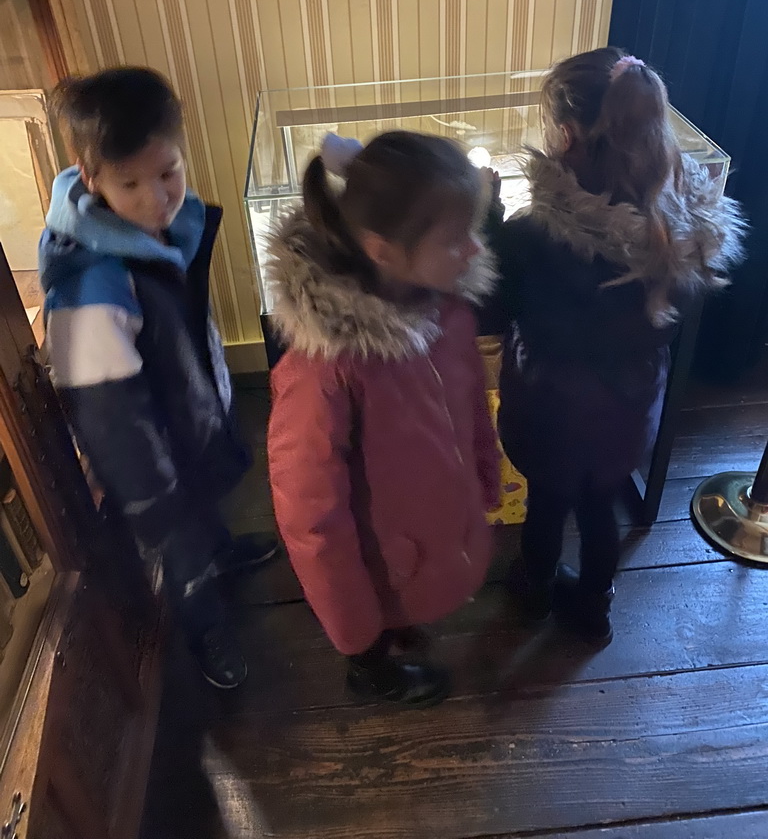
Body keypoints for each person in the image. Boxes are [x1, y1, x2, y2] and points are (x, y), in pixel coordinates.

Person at [480, 47, 747, 644]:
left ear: (568, 135)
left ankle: (532, 590)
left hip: (550, 410)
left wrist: (486, 218)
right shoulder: (675, 225)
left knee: (548, 503)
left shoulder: (538, 236)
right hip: (627, 412)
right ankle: (594, 608)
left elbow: (493, 305)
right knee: (600, 505)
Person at [39, 67, 278, 689]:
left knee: (207, 508)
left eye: (168, 172)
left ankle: (220, 551)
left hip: (186, 411)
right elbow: (106, 407)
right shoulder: (91, 281)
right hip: (149, 455)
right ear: (91, 180)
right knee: (180, 549)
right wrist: (150, 491)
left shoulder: (163, 230)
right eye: (130, 183)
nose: (156, 198)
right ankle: (203, 627)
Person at [266, 130, 500, 708]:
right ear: (383, 250)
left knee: (401, 609)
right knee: (370, 635)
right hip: (378, 564)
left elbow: (471, 404)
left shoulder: (446, 313)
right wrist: (354, 627)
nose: (474, 250)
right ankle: (370, 671)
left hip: (426, 544)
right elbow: (311, 516)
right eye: (454, 239)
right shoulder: (324, 371)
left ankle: (397, 622)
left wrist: (484, 475)